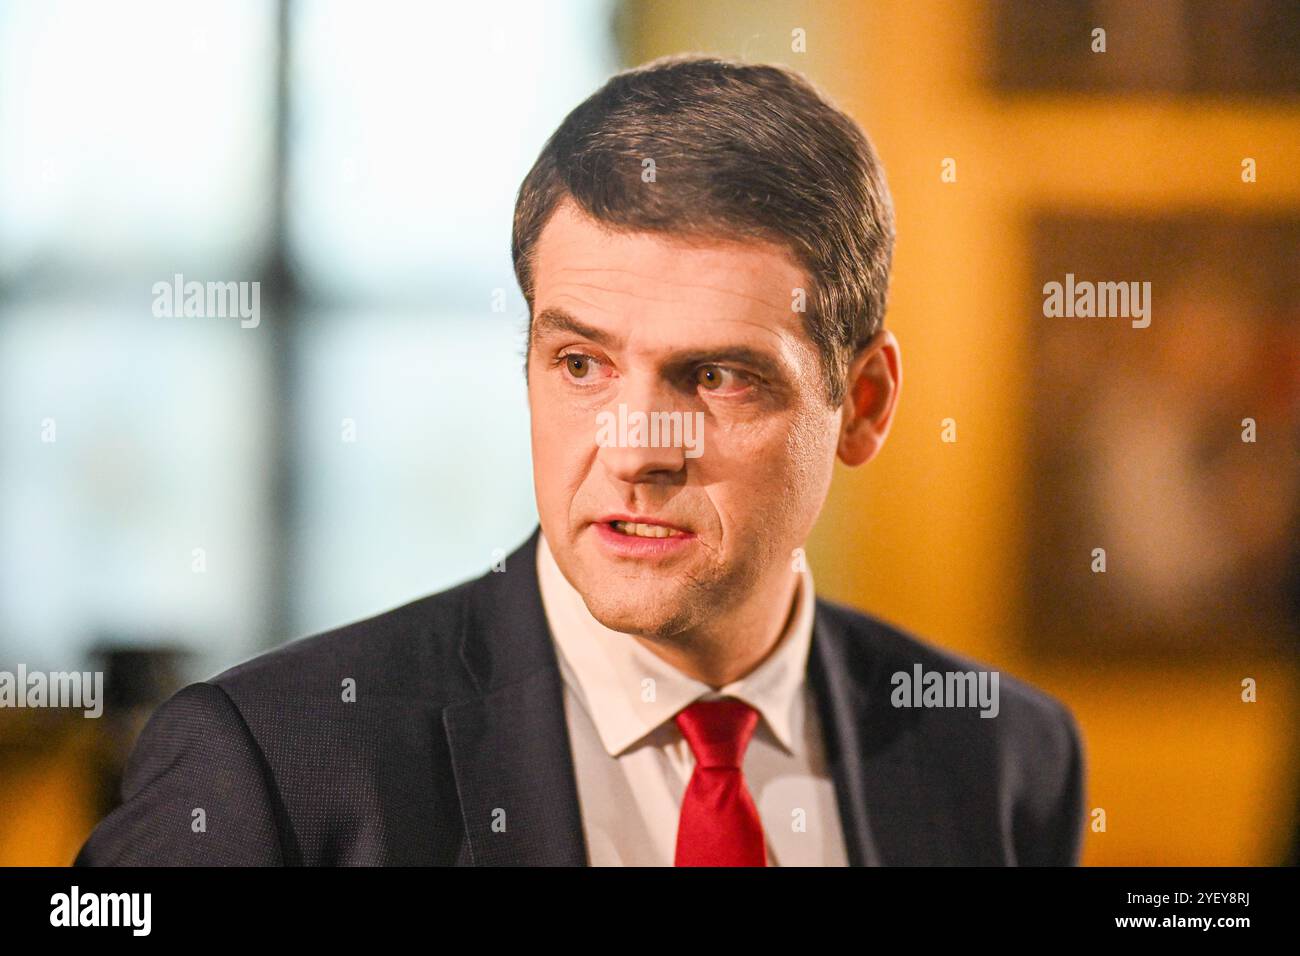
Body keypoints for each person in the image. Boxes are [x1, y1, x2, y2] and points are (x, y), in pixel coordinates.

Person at [76, 54, 1084, 867]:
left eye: (717, 376)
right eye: (580, 362)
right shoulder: (270, 764)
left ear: (861, 403)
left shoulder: (1001, 754)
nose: (637, 448)